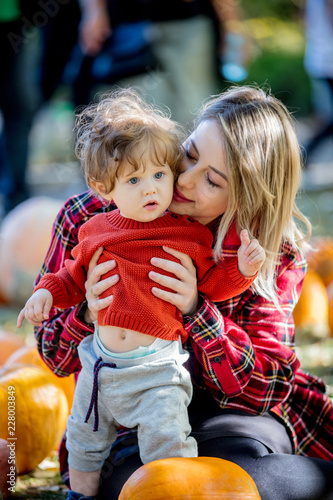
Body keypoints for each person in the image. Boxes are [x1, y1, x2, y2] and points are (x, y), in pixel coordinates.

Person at [30, 85, 333, 500]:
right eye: (189, 154)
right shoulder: (89, 217)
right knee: (145, 486)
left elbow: (264, 389)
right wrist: (86, 312)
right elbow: (51, 353)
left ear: (245, 195)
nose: (183, 181)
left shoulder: (263, 251)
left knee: (233, 464)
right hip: (129, 412)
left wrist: (196, 309)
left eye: (211, 180)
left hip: (229, 419)